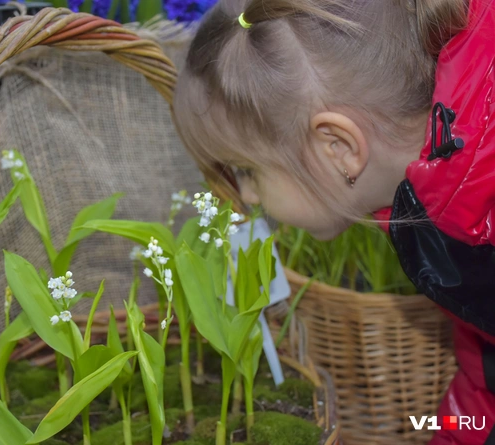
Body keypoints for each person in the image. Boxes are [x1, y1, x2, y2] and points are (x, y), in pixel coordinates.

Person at [171, 0, 495, 444]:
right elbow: (486, 378)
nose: (246, 195)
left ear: (338, 146)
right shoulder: (441, 212)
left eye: (246, 170)